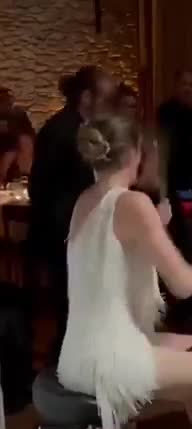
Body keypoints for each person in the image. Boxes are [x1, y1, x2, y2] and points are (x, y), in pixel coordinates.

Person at [57, 115, 192, 429]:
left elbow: (111, 262)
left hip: (79, 354)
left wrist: (155, 226)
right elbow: (184, 284)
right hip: (111, 357)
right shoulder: (133, 203)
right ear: (134, 153)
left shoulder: (86, 200)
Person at [28, 66, 116, 360]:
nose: (110, 105)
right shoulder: (62, 130)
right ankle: (67, 369)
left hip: (77, 231)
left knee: (79, 308)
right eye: (106, 98)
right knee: (71, 309)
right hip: (65, 235)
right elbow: (43, 190)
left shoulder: (84, 127)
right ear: (87, 97)